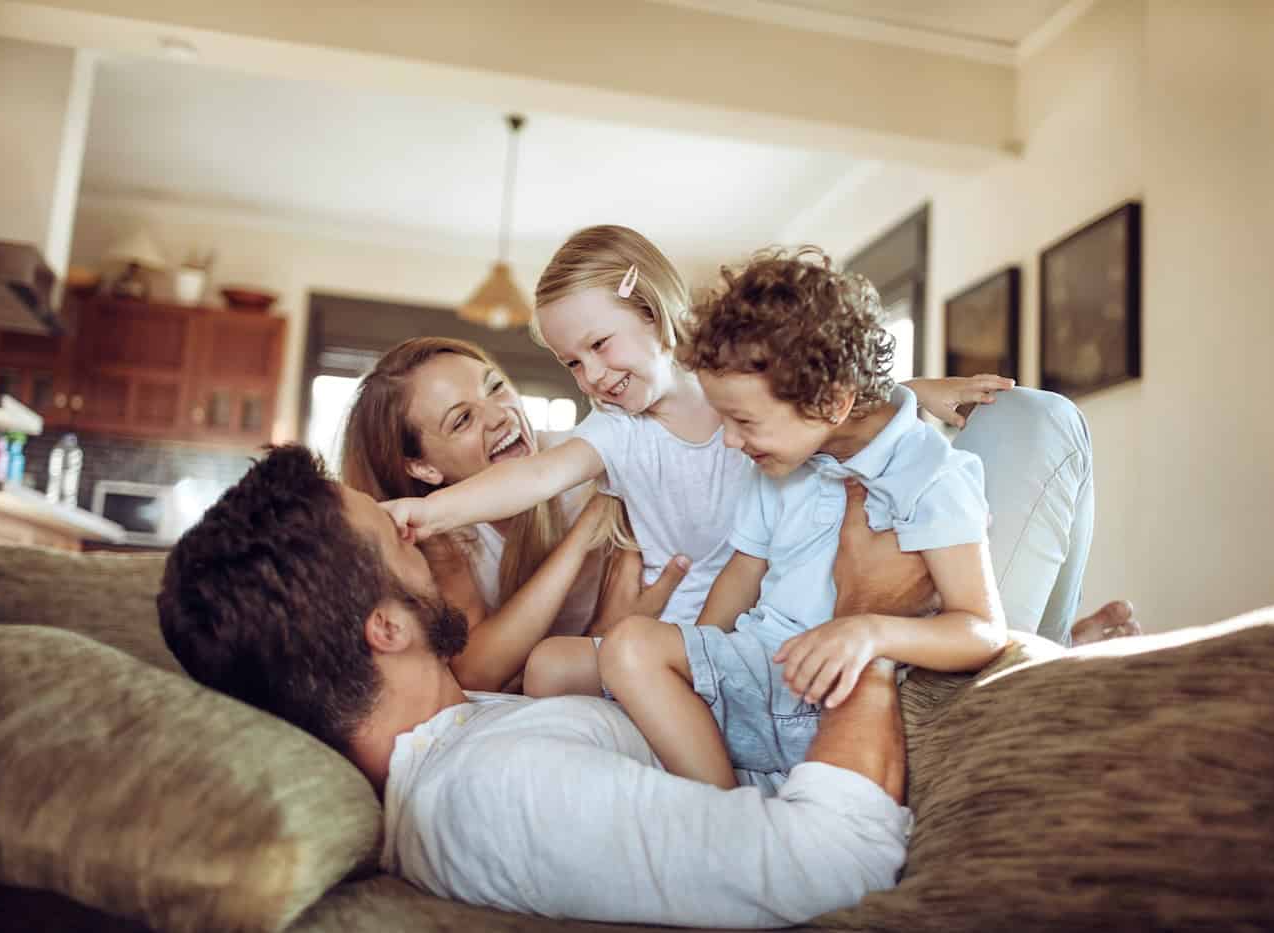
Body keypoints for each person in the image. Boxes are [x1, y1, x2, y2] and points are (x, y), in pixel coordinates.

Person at [157, 445, 915, 929]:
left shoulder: (473, 730)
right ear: (384, 628)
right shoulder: (493, 790)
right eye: (394, 540)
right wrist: (870, 620)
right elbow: (832, 862)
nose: (416, 536)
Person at [381, 225, 1012, 694]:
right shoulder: (618, 431)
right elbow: (536, 474)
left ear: (653, 314)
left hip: (771, 613)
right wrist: (429, 511)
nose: (592, 376)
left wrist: (916, 391)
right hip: (679, 626)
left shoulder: (736, 394)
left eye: (600, 345)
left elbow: (818, 398)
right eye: (572, 362)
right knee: (548, 666)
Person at [599, 248, 1008, 789]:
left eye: (744, 421)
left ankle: (722, 804)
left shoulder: (932, 477)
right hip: (758, 667)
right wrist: (697, 663)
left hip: (825, 693)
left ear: (833, 403)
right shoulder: (785, 460)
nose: (730, 440)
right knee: (573, 660)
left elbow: (981, 629)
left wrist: (869, 633)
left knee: (629, 646)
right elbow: (742, 574)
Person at [340, 337, 690, 691]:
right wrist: (583, 536)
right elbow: (475, 672)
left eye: (495, 387)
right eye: (462, 420)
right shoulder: (438, 538)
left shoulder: (581, 457)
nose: (500, 415)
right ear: (423, 468)